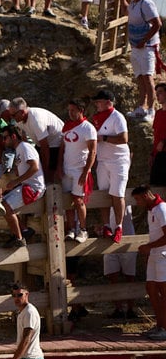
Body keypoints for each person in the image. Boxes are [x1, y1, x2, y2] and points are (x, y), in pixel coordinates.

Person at [91, 89, 130, 242]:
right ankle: (107, 225)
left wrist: (105, 138)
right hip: (103, 160)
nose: (96, 105)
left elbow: (124, 138)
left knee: (117, 193)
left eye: (99, 102)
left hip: (118, 160)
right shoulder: (97, 118)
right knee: (103, 193)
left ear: (108, 102)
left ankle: (118, 226)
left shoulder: (117, 117)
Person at [119, 0, 160, 120]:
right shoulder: (133, 3)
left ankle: (151, 110)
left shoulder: (147, 4)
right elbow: (126, 11)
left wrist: (144, 40)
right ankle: (141, 107)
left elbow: (157, 24)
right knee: (140, 77)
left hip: (147, 46)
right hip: (136, 47)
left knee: (148, 77)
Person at [0, 125, 45, 248]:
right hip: (27, 185)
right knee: (2, 201)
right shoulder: (19, 149)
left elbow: (34, 167)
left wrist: (15, 182)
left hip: (33, 188)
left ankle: (19, 238)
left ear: (13, 136)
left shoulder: (24, 147)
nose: (3, 141)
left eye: (5, 138)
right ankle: (23, 231)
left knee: (5, 206)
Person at [58, 99, 96, 243]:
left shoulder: (88, 128)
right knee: (68, 200)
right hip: (67, 169)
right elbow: (62, 148)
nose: (70, 113)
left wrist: (86, 172)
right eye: (69, 110)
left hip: (80, 170)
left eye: (73, 110)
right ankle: (71, 229)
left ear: (81, 111)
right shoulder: (67, 126)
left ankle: (83, 229)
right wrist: (59, 167)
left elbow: (93, 151)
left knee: (78, 200)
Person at [133, 185, 166, 341]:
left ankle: (164, 328)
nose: (137, 203)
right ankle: (160, 325)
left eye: (138, 199)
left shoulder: (161, 209)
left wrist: (149, 247)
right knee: (151, 288)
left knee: (163, 291)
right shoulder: (152, 210)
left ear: (146, 195)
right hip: (155, 254)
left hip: (163, 255)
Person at [10, 98, 63, 181]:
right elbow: (24, 140)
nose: (12, 118)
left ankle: (49, 184)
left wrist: (44, 173)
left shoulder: (36, 120)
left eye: (13, 115)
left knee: (47, 173)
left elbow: (45, 147)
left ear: (22, 112)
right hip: (41, 143)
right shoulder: (19, 118)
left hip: (56, 141)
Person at [104, 206, 137, 319]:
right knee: (112, 275)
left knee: (130, 276)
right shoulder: (105, 197)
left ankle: (130, 309)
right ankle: (118, 309)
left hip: (127, 237)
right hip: (110, 239)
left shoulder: (123, 195)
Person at [151, 82, 166, 185]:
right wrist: (152, 154)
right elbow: (156, 135)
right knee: (157, 186)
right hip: (158, 156)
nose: (157, 96)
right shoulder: (158, 113)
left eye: (160, 92)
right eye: (156, 93)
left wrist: (165, 141)